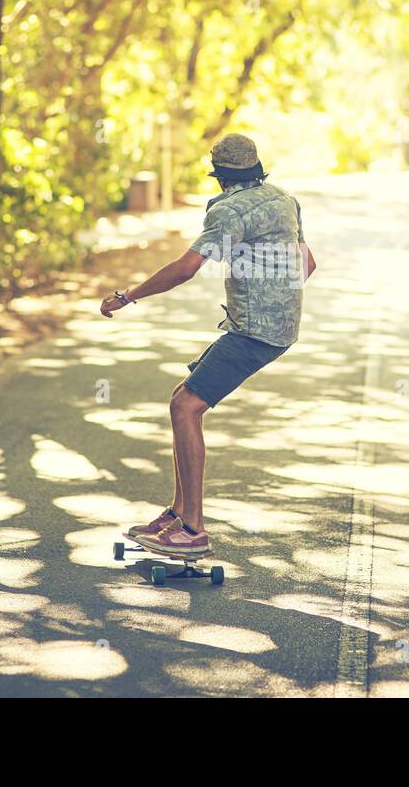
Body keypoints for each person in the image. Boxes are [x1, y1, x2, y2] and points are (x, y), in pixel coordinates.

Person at [100, 133, 316, 557]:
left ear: (219, 176)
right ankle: (178, 515)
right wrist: (276, 299)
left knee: (186, 407)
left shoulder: (228, 210)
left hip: (254, 332)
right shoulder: (284, 200)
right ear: (257, 167)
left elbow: (186, 268)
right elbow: (307, 262)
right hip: (276, 327)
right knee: (182, 399)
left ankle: (193, 530)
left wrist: (128, 296)